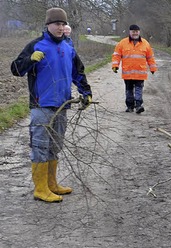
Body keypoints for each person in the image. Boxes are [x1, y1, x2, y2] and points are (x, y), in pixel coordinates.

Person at [10, 7, 92, 203]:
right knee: (40, 147)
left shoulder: (68, 48)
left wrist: (86, 93)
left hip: (62, 106)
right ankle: (40, 188)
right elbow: (15, 69)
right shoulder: (37, 45)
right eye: (57, 24)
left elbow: (78, 73)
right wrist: (30, 60)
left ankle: (52, 184)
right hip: (41, 106)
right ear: (48, 25)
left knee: (55, 147)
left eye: (63, 24)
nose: (60, 27)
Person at [111, 24, 157, 113]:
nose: (135, 33)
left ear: (139, 32)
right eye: (133, 32)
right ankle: (130, 106)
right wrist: (115, 66)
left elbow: (150, 57)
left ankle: (138, 106)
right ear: (130, 32)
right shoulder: (122, 43)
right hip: (127, 72)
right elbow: (116, 55)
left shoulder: (145, 43)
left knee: (139, 89)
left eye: (136, 31)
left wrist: (153, 68)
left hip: (140, 73)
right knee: (129, 90)